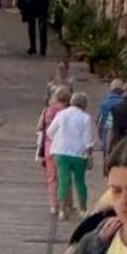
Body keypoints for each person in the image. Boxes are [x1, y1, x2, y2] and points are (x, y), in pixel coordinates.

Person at [47, 90, 97, 217]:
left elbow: (50, 132)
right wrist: (89, 154)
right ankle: (83, 210)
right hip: (79, 154)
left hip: (61, 152)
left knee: (63, 181)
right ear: (84, 104)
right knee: (80, 181)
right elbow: (88, 140)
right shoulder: (86, 118)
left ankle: (62, 210)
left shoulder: (61, 114)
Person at [36, 83, 71, 213]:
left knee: (52, 178)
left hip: (49, 147)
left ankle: (53, 205)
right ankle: (65, 204)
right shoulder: (68, 112)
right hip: (64, 147)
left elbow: (40, 126)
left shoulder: (48, 109)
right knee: (64, 177)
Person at [96, 78, 125, 155]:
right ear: (122, 91)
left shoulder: (104, 104)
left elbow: (99, 123)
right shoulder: (123, 103)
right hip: (120, 141)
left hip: (106, 138)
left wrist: (101, 139)